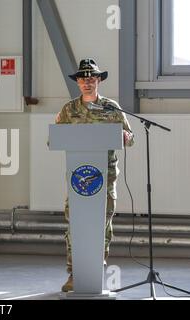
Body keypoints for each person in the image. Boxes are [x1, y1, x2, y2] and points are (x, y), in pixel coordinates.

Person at [55, 59, 135, 292]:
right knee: (75, 226)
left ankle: (94, 272)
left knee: (102, 225)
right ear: (77, 82)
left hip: (105, 177)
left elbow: (131, 137)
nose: (87, 83)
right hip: (79, 180)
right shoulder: (69, 110)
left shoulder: (111, 107)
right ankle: (74, 275)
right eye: (83, 79)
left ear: (98, 80)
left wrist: (126, 137)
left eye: (91, 79)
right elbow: (54, 138)